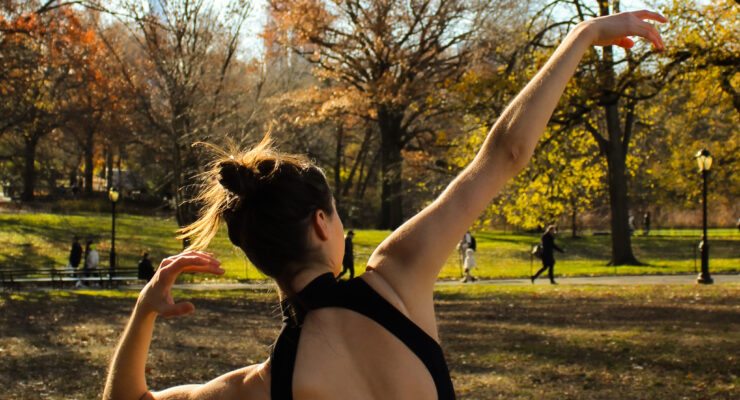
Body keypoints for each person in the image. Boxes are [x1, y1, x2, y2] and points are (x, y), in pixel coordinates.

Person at [103, 11, 667, 400]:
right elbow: (505, 154)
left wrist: (145, 308)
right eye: (340, 214)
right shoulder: (395, 276)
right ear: (322, 222)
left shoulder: (264, 384)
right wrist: (584, 35)